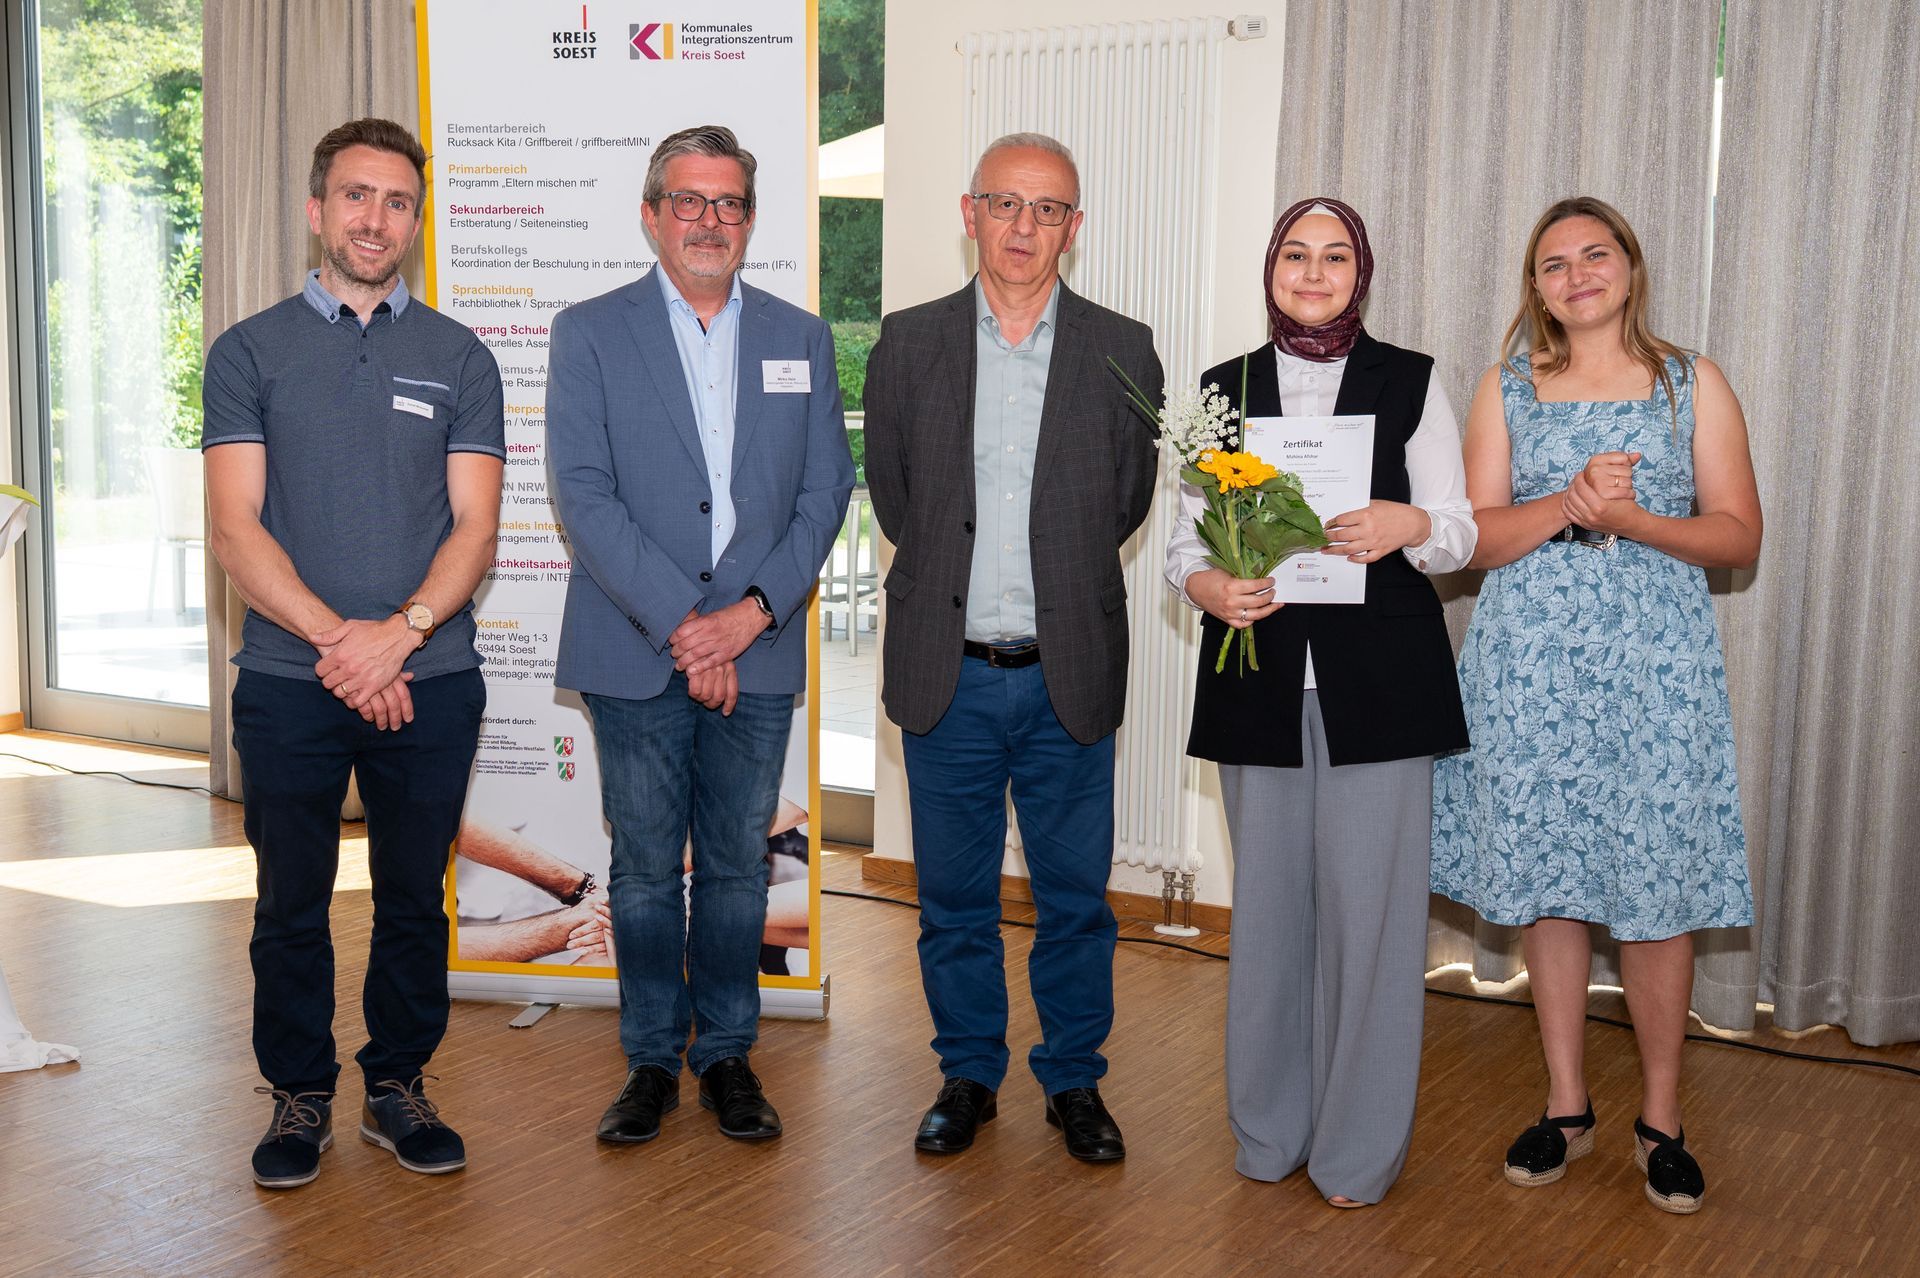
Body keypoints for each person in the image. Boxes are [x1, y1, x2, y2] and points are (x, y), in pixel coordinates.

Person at [1431, 196, 1761, 1215]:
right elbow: (1475, 539)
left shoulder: (1691, 383)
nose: (1576, 274)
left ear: (1630, 266)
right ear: (1536, 288)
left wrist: (1631, 518)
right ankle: (1566, 1104)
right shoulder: (1506, 387)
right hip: (1531, 669)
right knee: (1550, 883)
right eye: (1554, 263)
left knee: (1656, 890)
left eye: (1594, 254)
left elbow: (1739, 537)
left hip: (1655, 672)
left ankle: (1661, 1118)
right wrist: (1568, 506)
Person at [203, 118, 504, 1189]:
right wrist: (345, 646)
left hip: (432, 677)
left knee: (414, 897)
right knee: (290, 902)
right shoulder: (248, 351)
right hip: (292, 680)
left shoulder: (460, 357)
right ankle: (298, 1094)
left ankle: (398, 1084)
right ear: (316, 209)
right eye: (357, 196)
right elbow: (235, 528)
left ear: (416, 222)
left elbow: (475, 527)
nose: (376, 218)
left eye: (398, 201)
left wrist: (401, 636)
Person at [546, 124, 853, 1147]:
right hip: (636, 645)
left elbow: (825, 492)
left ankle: (725, 1052)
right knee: (643, 868)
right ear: (651, 215)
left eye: (729, 203)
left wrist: (747, 617)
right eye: (689, 200)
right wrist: (688, 627)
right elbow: (583, 496)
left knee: (733, 865)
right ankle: (648, 1059)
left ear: (751, 221)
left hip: (757, 641)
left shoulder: (801, 337)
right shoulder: (589, 332)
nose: (709, 220)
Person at [1168, 197, 1474, 1206]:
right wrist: (1211, 586)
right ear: (1271, 269)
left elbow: (1458, 531)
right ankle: (1269, 1132)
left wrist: (1407, 525)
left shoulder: (1413, 380)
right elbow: (1183, 543)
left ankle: (1356, 1153)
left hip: (1379, 686)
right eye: (1295, 254)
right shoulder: (1222, 388)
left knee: (1371, 929)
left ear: (1361, 273)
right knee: (1266, 920)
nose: (1313, 271)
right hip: (1257, 679)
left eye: (1334, 256)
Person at [864, 132, 1163, 1163]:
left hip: (1066, 672)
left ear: (1074, 228)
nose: (1025, 226)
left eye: (1048, 209)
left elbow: (1125, 503)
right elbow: (898, 498)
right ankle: (968, 1073)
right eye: (1006, 204)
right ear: (970, 213)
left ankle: (1074, 1080)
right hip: (946, 673)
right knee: (953, 903)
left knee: (1076, 903)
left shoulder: (1124, 348)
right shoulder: (908, 342)